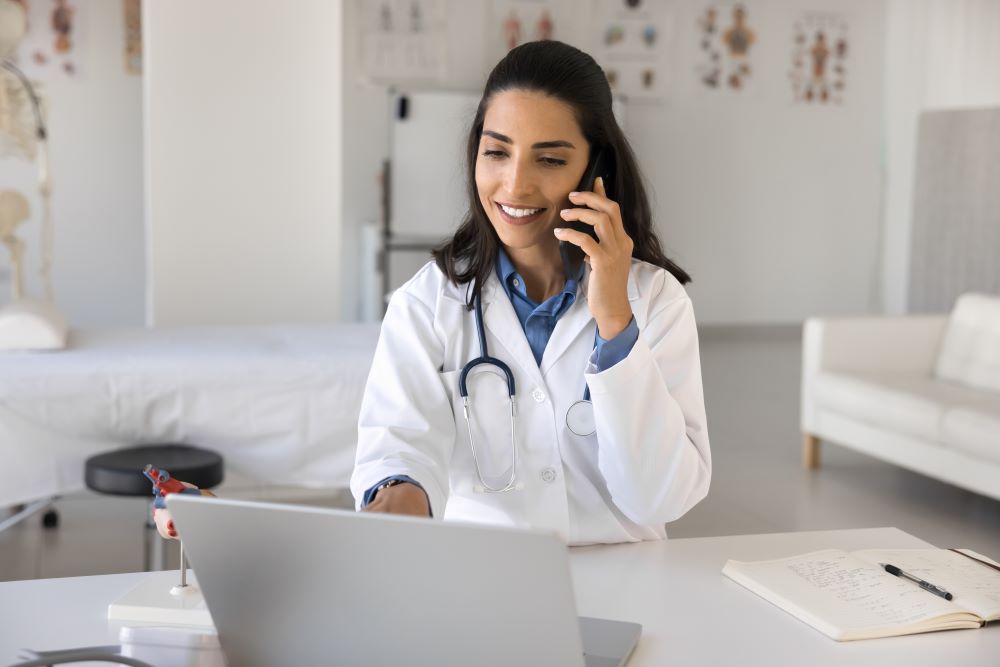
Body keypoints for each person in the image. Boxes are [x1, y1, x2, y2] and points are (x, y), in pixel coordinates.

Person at [353, 40, 710, 545]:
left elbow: (661, 499)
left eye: (549, 160)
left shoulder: (657, 301)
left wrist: (614, 319)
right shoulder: (427, 303)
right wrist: (397, 502)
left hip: (629, 582)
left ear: (594, 169)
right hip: (484, 578)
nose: (515, 185)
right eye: (496, 152)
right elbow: (400, 448)